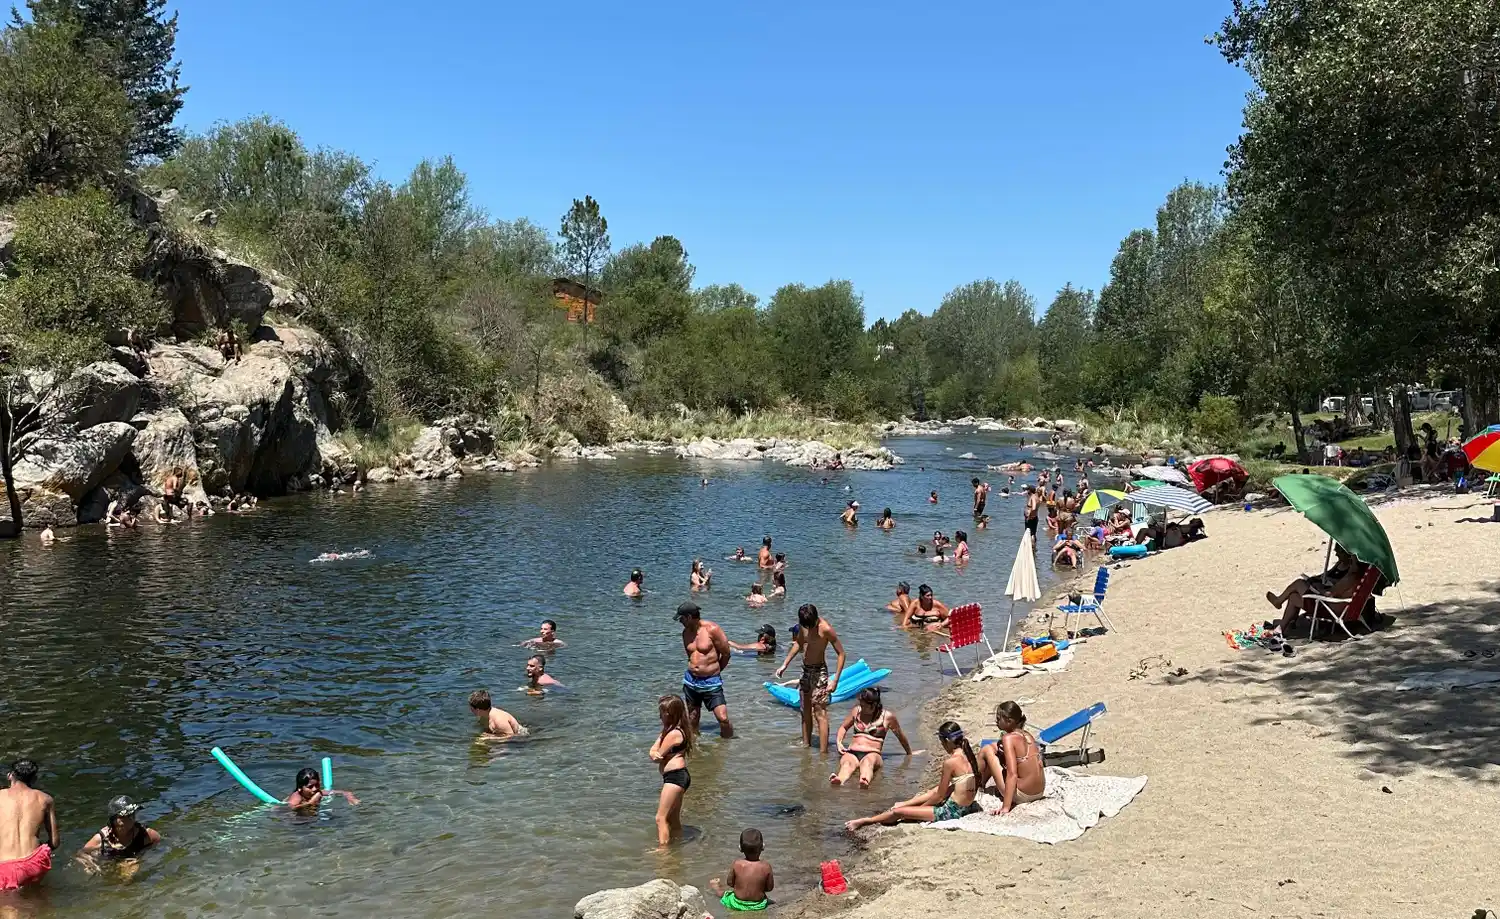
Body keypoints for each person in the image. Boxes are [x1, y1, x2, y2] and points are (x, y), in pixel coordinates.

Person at [844, 722, 981, 831]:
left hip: (952, 812)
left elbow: (939, 796)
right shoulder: (969, 755)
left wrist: (920, 809)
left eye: (941, 742)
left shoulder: (950, 762)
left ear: (947, 741)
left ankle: (866, 821)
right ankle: (907, 804)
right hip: (966, 807)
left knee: (898, 812)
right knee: (939, 789)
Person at [774, 604, 846, 752]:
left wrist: (835, 680)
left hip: (820, 671)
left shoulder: (826, 629)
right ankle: (806, 747)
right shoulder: (804, 626)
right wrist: (784, 664)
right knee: (804, 710)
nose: (809, 628)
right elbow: (799, 643)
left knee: (820, 712)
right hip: (805, 671)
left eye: (811, 625)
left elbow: (841, 654)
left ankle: (823, 754)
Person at [831, 688, 919, 788]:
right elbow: (843, 727)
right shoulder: (856, 711)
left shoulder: (887, 716)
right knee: (847, 764)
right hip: (852, 752)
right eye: (860, 704)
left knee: (867, 763)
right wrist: (839, 742)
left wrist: (909, 753)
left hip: (873, 753)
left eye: (864, 705)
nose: (861, 707)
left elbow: (901, 736)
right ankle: (839, 780)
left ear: (873, 705)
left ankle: (865, 780)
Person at [1265, 546, 1364, 635]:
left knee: (1299, 583)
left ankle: (1279, 602)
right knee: (1294, 596)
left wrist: (1319, 589)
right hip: (1339, 606)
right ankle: (1282, 628)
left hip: (1331, 608)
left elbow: (1329, 594)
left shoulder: (1350, 578)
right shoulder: (1359, 576)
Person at [978, 701, 1046, 813]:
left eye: (999, 718)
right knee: (994, 748)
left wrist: (1006, 807)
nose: (996, 721)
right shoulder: (1027, 735)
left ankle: (977, 787)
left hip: (1024, 795)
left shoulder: (1008, 739)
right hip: (1039, 791)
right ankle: (980, 784)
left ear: (1009, 721)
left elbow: (1012, 775)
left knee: (986, 750)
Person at [677, 601, 734, 737]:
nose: (680, 621)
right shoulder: (685, 633)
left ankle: (727, 746)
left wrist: (715, 671)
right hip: (691, 681)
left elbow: (726, 653)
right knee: (692, 718)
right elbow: (690, 656)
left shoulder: (712, 629)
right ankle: (695, 749)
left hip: (711, 682)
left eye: (682, 618)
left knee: (723, 718)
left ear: (690, 617)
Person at [0, 759, 56, 891]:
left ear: (10, 775)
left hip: (4, 868)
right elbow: (55, 842)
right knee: (36, 898)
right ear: (34, 778)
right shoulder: (45, 799)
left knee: (8, 907)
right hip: (34, 862)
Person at [649, 695, 692, 847]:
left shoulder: (673, 733)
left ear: (670, 714)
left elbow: (656, 756)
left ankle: (663, 851)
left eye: (662, 712)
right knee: (673, 818)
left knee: (660, 818)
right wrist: (655, 752)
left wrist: (654, 753)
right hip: (679, 776)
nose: (659, 715)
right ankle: (677, 844)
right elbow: (655, 752)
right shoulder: (672, 730)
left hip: (675, 777)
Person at [78, 796, 161, 865]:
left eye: (132, 814)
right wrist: (90, 865)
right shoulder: (102, 838)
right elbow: (81, 854)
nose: (131, 818)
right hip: (109, 865)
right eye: (125, 816)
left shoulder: (145, 834)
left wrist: (141, 858)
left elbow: (158, 844)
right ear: (113, 820)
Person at [710, 827, 774, 912]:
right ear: (763, 847)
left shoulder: (737, 864)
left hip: (737, 903)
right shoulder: (766, 866)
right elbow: (769, 888)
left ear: (740, 848)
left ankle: (716, 887)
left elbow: (730, 883)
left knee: (723, 894)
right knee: (769, 901)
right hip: (758, 905)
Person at [284, 767, 358, 809]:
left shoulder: (318, 792)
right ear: (300, 788)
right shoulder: (297, 796)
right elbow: (289, 808)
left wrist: (350, 798)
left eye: (317, 784)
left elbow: (345, 792)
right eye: (310, 787)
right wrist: (311, 802)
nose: (315, 789)